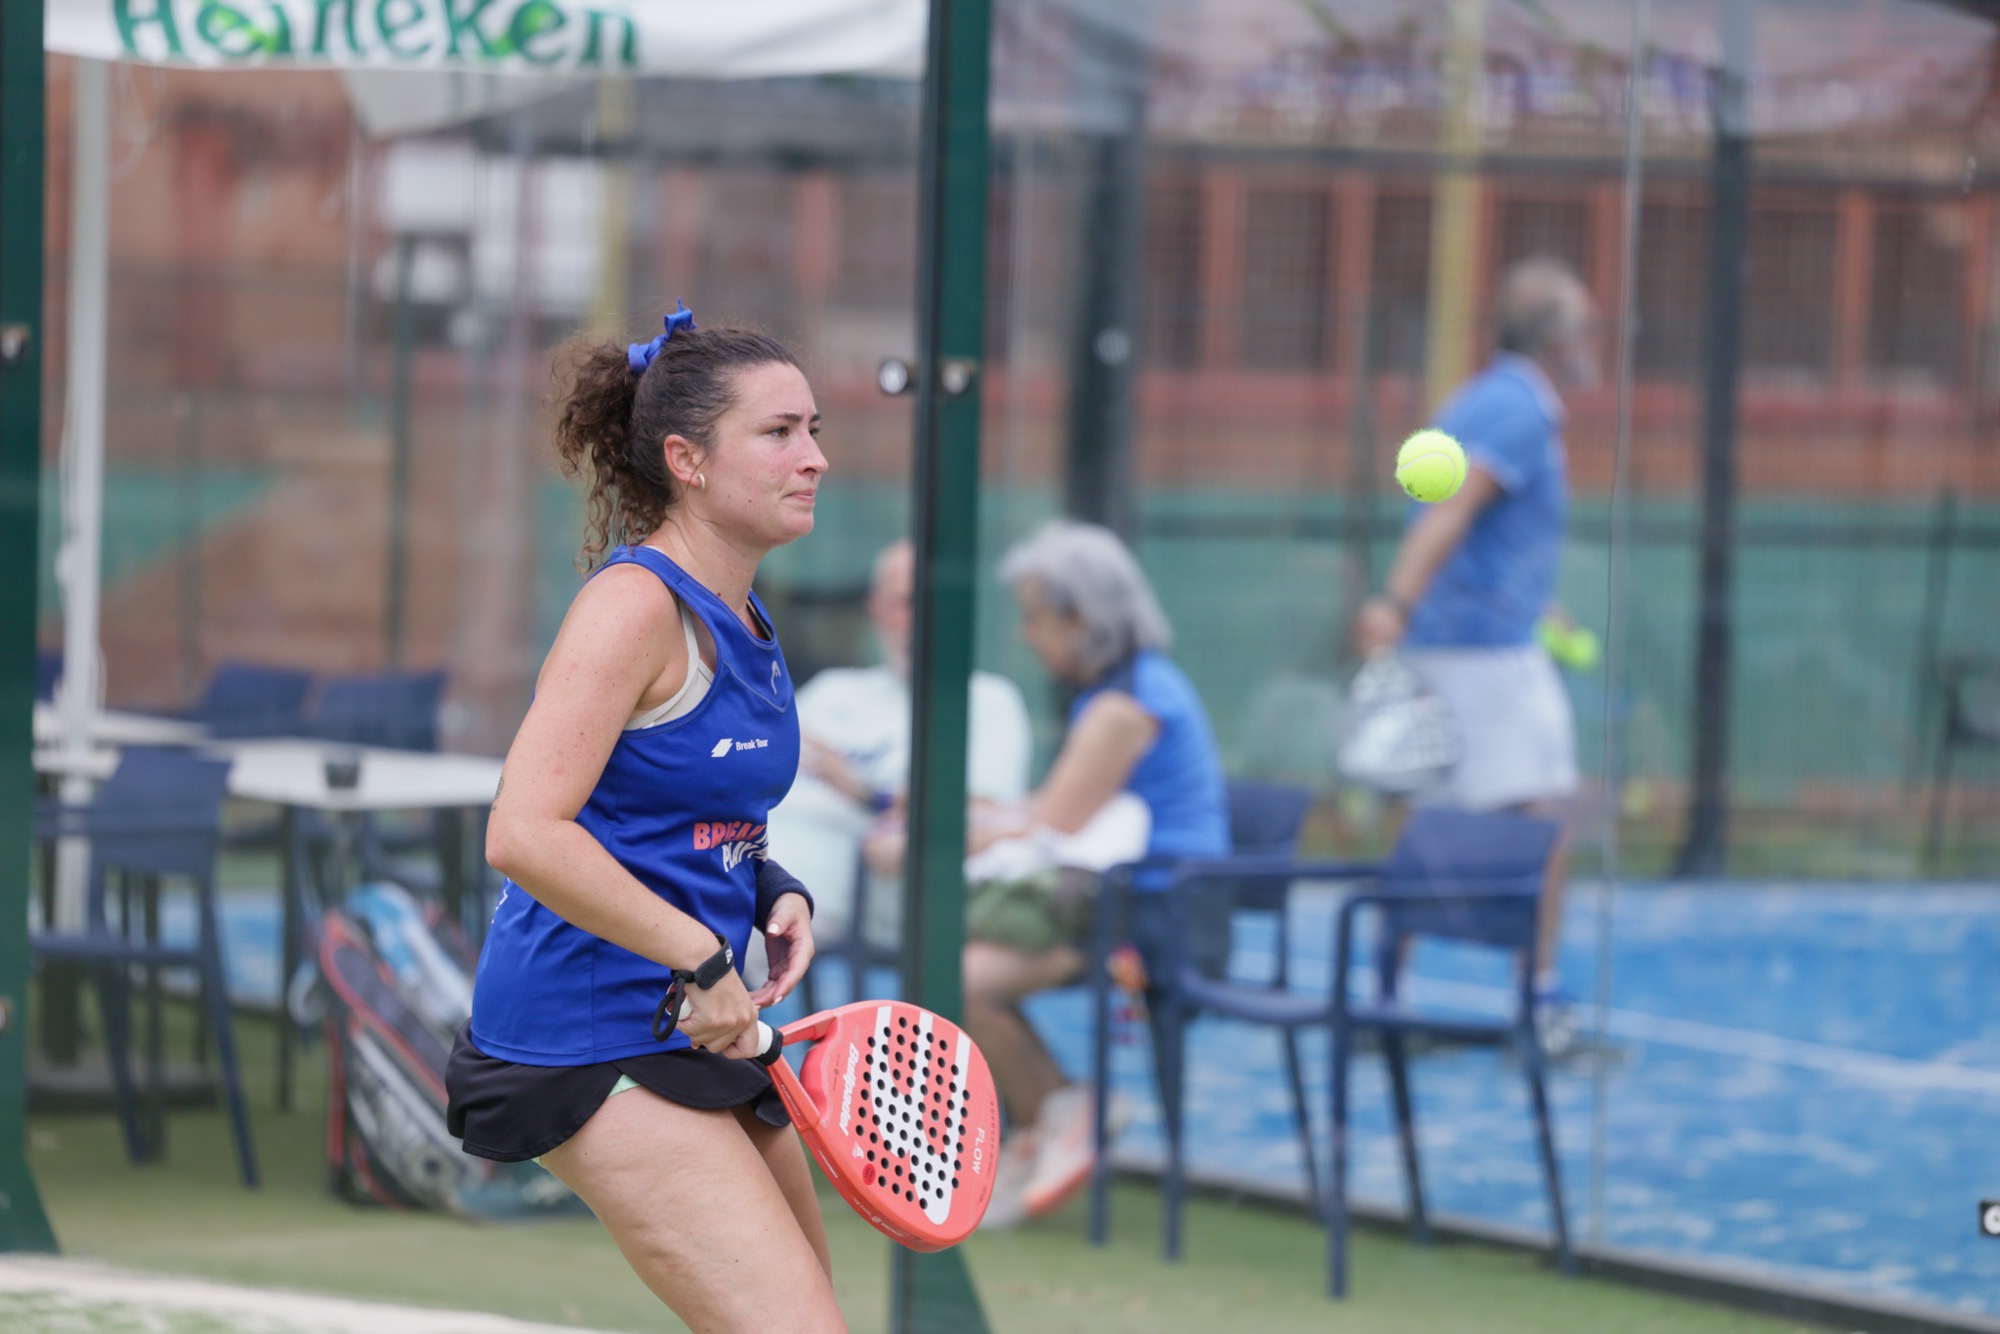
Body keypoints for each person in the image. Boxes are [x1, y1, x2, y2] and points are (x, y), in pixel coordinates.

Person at [444, 306, 844, 1333]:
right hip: (587, 1028)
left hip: (697, 1019)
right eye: (779, 432)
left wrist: (770, 886)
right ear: (687, 460)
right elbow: (524, 832)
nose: (814, 457)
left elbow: (683, 807)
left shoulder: (746, 615)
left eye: (813, 429)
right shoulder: (633, 608)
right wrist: (701, 957)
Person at [1352, 256, 1603, 1024]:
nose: (1596, 343)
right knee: (1546, 815)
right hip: (1485, 654)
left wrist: (1538, 605)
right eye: (1588, 328)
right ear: (1558, 340)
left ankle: (1386, 992)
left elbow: (1478, 530)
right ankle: (1540, 997)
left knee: (1424, 815)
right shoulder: (1522, 409)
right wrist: (1395, 602)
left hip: (1466, 637)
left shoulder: (1479, 397)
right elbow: (1452, 512)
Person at [960, 520, 1229, 1224]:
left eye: (1035, 618)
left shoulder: (1122, 707)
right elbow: (1051, 813)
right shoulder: (1120, 691)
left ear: (1083, 619)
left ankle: (1058, 1113)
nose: (1025, 635)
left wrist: (950, 829)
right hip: (1122, 901)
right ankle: (1055, 1117)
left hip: (1161, 917)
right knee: (959, 973)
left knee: (960, 980)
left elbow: (1052, 823)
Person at [765, 538, 1033, 955]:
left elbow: (983, 815)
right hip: (757, 855)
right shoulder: (832, 690)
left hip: (849, 889)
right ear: (875, 608)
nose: (922, 619)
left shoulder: (987, 700)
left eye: (936, 603)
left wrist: (861, 790)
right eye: (906, 603)